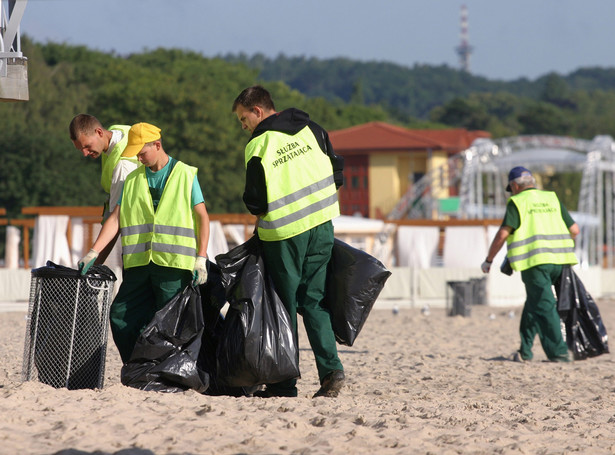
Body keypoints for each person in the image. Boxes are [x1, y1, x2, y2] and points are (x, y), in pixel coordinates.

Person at [232, 85, 345, 398]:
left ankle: (283, 382)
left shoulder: (259, 145)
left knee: (284, 305)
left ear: (257, 111)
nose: (243, 127)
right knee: (315, 301)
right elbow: (338, 172)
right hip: (322, 226)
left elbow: (256, 201)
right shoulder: (313, 129)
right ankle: (331, 371)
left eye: (243, 119)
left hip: (284, 235)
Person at [78, 122, 210, 363]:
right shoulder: (134, 178)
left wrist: (201, 257)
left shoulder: (185, 174)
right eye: (135, 153)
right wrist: (93, 252)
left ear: (157, 145)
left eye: (142, 153)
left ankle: (170, 371)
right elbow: (116, 217)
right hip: (139, 265)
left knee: (172, 324)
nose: (138, 158)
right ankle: (138, 366)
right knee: (121, 316)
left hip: (173, 266)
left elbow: (202, 216)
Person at [481, 166, 579, 362]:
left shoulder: (516, 202)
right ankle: (525, 351)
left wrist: (489, 260)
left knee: (544, 305)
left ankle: (558, 353)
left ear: (515, 185)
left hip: (535, 263)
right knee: (535, 302)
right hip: (560, 262)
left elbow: (502, 234)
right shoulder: (551, 198)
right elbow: (574, 229)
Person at [69, 114, 140, 264]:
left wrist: (94, 263)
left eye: (87, 146)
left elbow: (115, 221)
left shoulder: (123, 166)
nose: (85, 153)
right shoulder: (119, 132)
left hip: (141, 249)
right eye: (80, 149)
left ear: (99, 132)